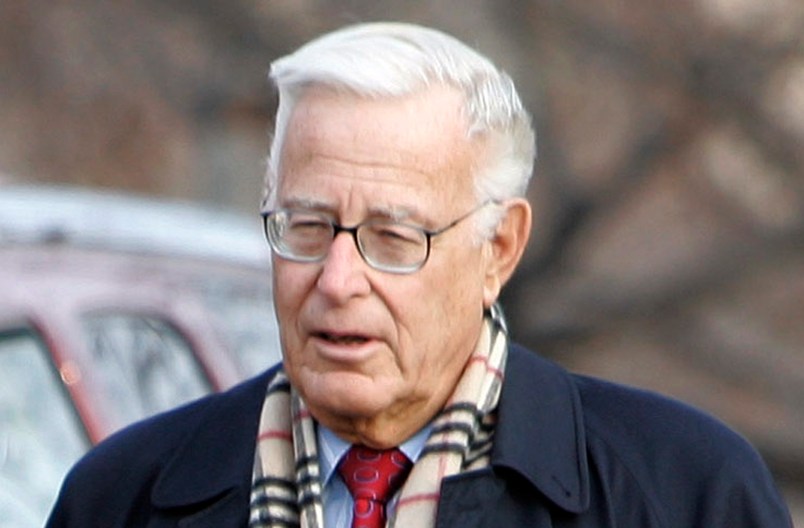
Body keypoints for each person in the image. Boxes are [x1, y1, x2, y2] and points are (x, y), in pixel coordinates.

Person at [47, 22, 791, 528]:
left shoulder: (681, 493)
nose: (338, 279)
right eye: (307, 227)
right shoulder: (123, 498)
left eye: (392, 237)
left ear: (500, 247)